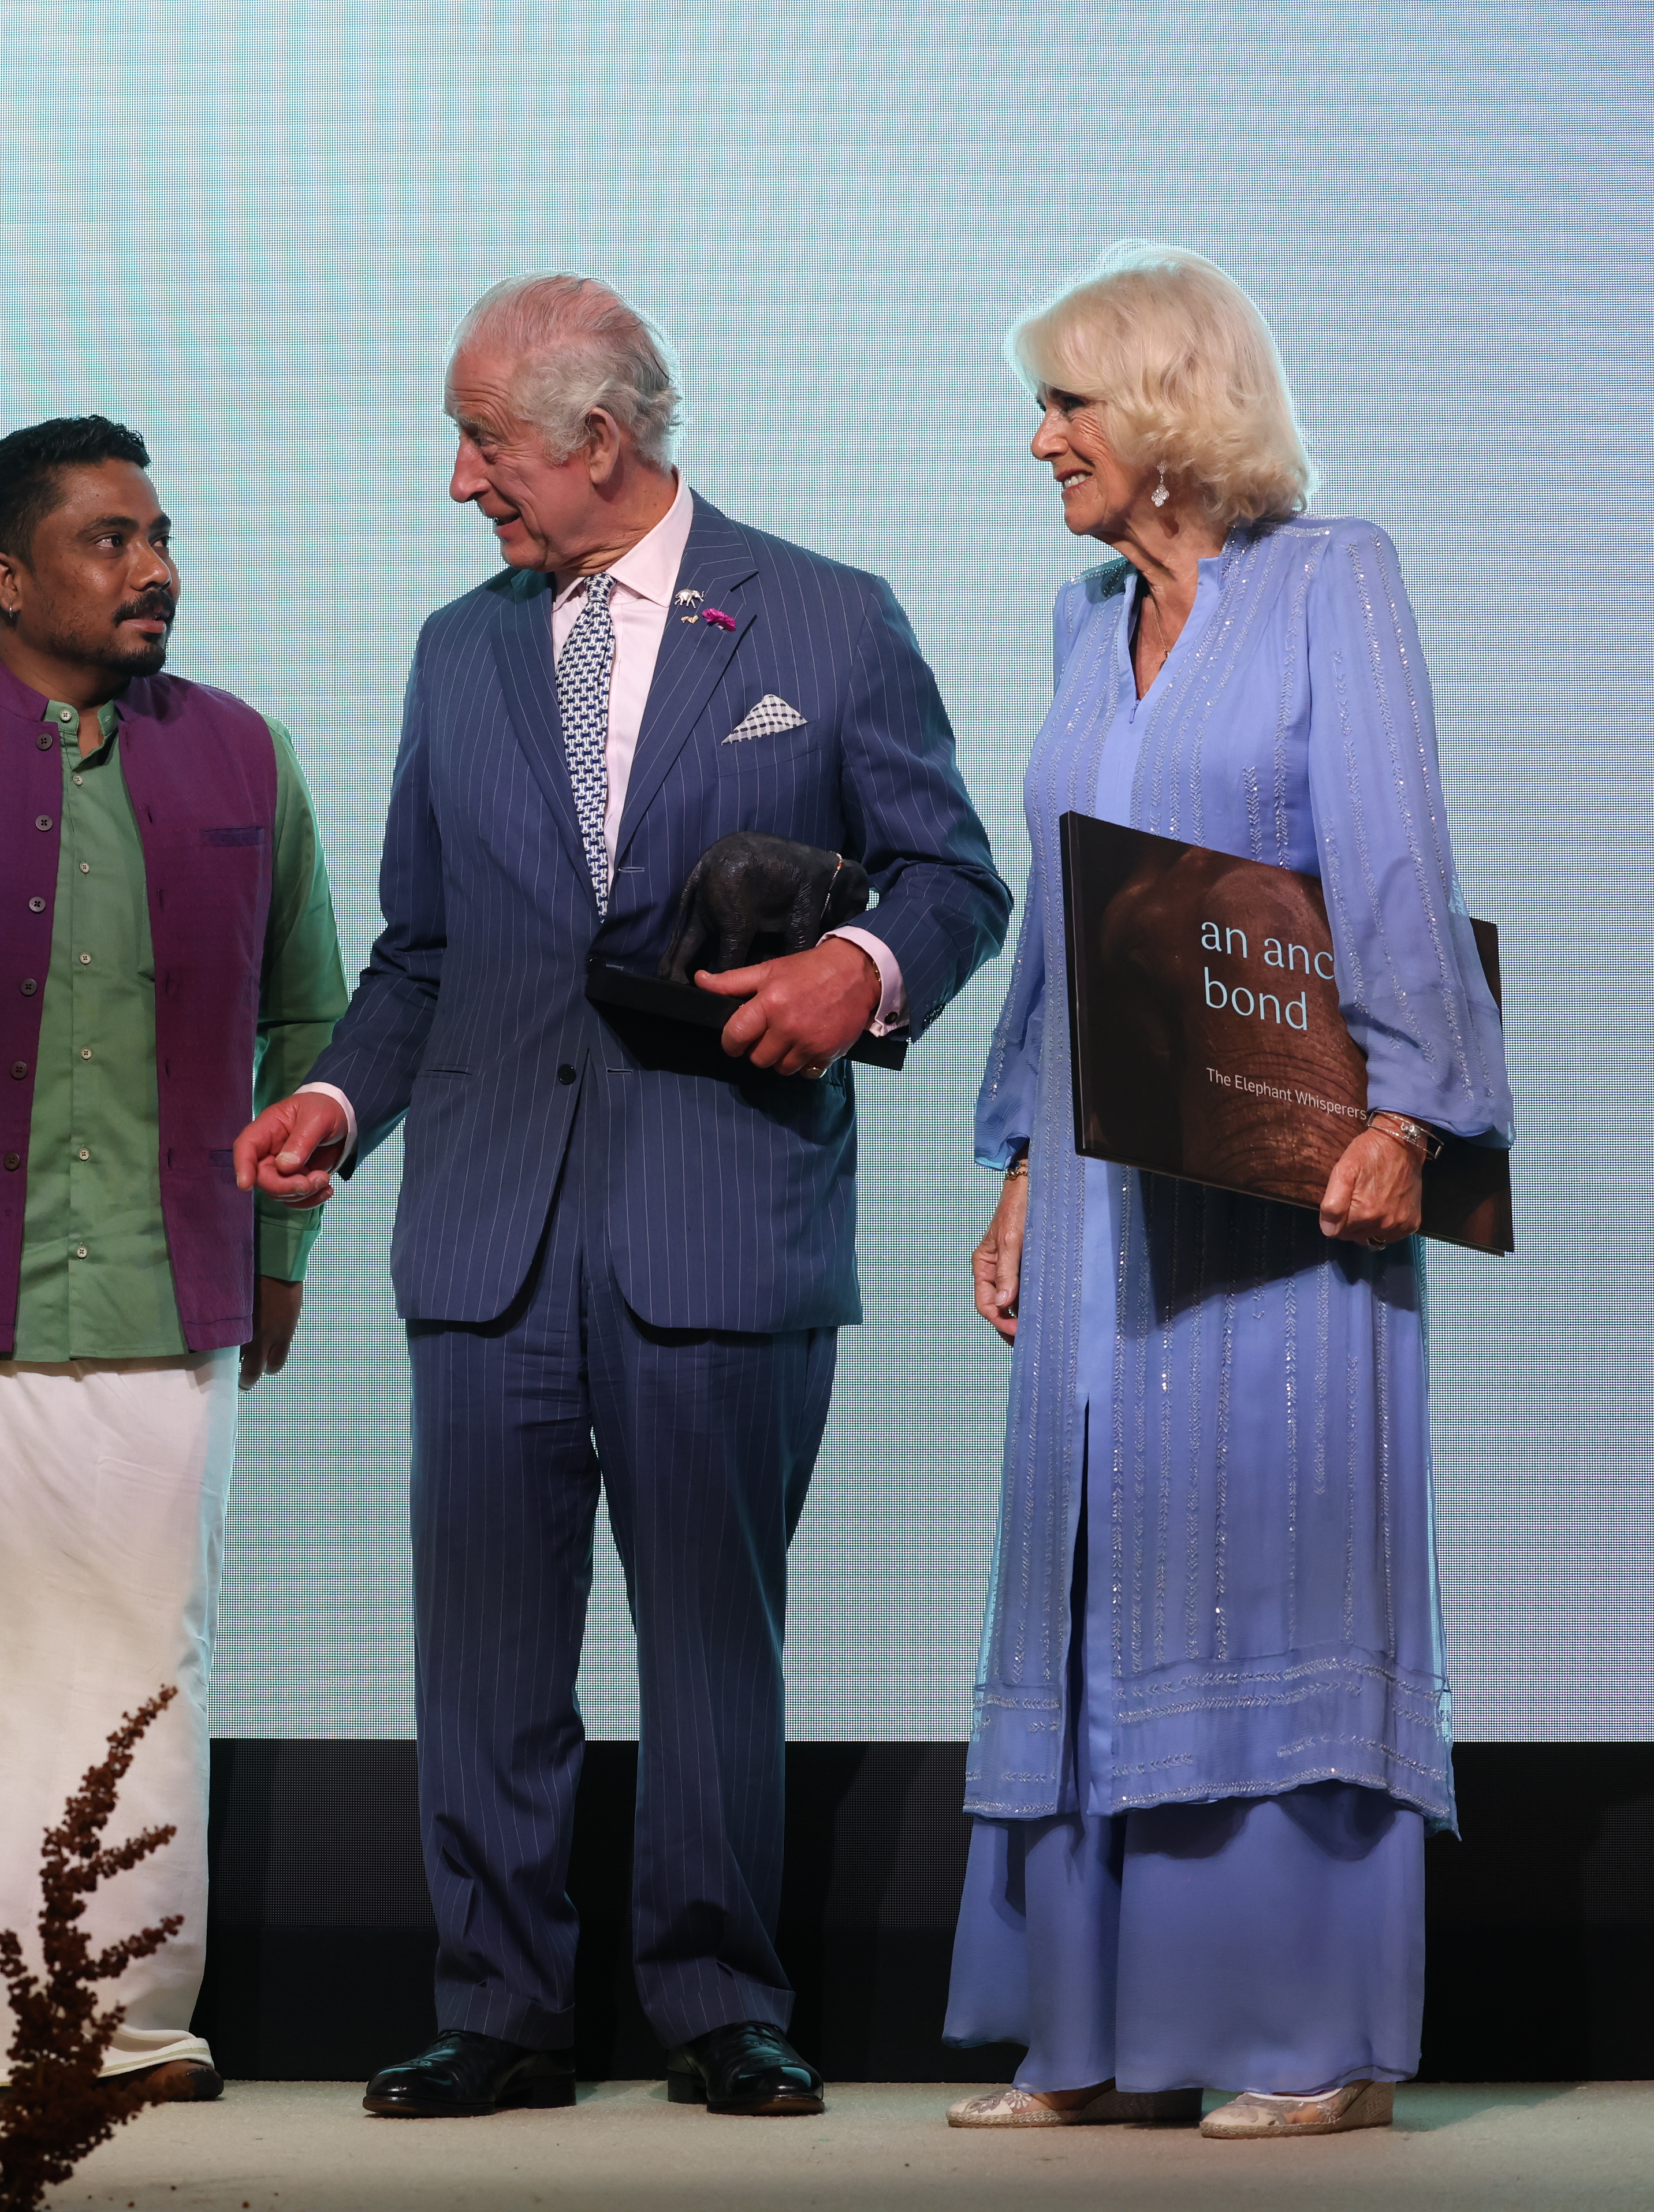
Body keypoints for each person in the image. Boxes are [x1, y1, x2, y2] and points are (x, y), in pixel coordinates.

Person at [235, 273, 1010, 2120]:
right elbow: (423, 951)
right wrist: (335, 1097)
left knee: (715, 1643)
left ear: (597, 438)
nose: (458, 481)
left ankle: (720, 2001)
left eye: (482, 441)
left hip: (721, 1220)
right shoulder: (460, 651)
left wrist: (859, 975)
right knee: (482, 1651)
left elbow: (953, 882)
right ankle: (499, 2009)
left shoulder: (826, 617)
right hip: (489, 1228)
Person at [941, 243, 1513, 2142]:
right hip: (1102, 1205)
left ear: (1169, 406)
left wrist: (1412, 1115)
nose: (1043, 442)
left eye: (1066, 405)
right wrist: (1021, 1164)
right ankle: (1100, 2033)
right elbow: (1060, 921)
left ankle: (1304, 2034)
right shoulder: (1079, 619)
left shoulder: (1331, 580)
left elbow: (1394, 854)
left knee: (1266, 1553)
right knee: (1103, 1561)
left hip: (1286, 1188)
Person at [0, 417, 348, 2105]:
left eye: (160, 536)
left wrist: (282, 1247)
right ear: (7, 574)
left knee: (139, 1667)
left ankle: (116, 2026)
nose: (156, 569)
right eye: (111, 540)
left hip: (169, 1291)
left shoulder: (249, 761)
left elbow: (309, 1022)